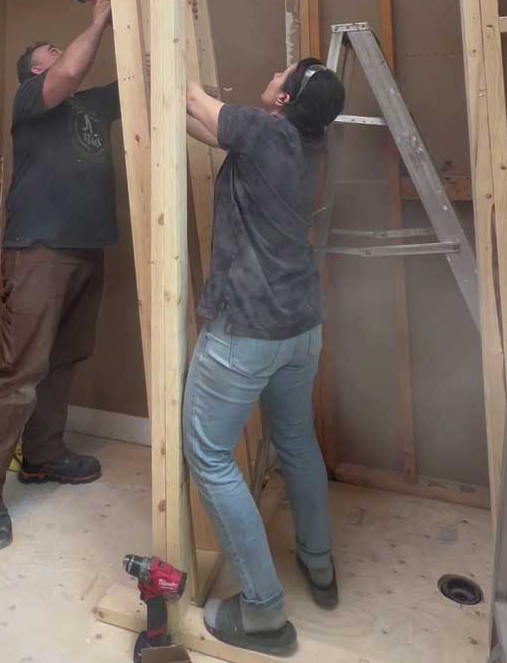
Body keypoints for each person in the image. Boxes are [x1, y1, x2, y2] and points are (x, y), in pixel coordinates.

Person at [183, 58, 345, 657]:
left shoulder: (267, 131)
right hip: (300, 328)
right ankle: (319, 565)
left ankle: (263, 615)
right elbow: (210, 127)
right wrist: (187, 107)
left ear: (282, 100)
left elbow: (200, 105)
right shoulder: (305, 138)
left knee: (208, 455)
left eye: (281, 74)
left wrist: (165, 58)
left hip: (246, 330)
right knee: (297, 442)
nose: (272, 73)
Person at [0, 0, 118, 550]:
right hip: (39, 250)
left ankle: (44, 456)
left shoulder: (92, 105)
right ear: (36, 68)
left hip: (87, 248)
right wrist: (98, 17)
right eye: (50, 48)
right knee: (19, 372)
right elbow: (72, 65)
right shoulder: (31, 100)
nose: (61, 48)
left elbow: (143, 83)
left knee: (63, 359)